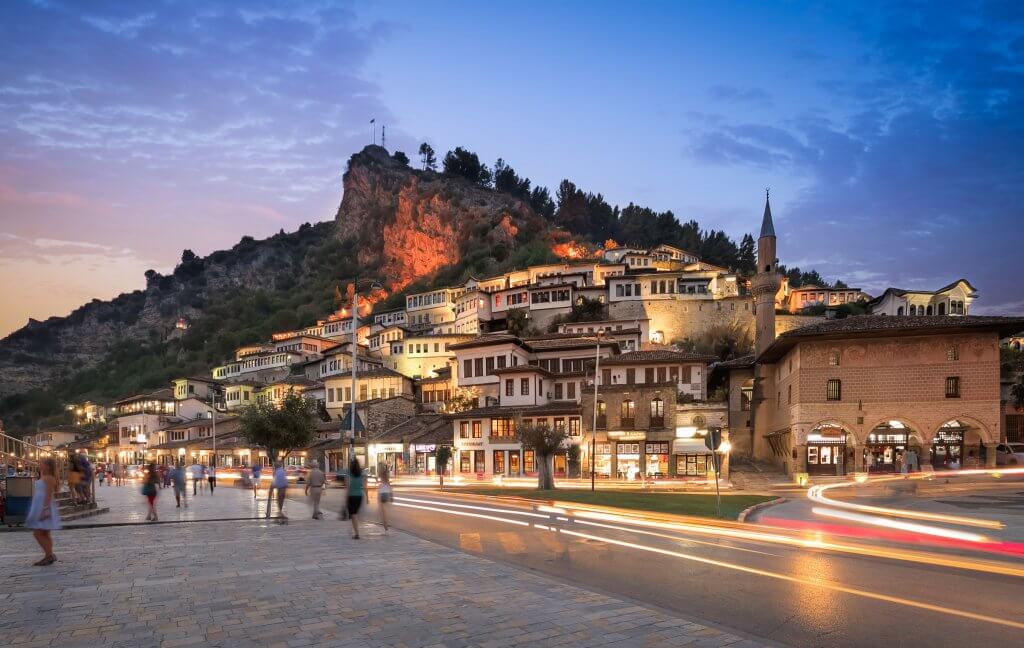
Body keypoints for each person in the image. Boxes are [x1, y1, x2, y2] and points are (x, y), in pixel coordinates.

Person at [26, 458, 61, 566]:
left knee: (38, 533)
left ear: (48, 466)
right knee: (45, 533)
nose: (39, 465)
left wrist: (45, 509)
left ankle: (49, 555)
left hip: (43, 506)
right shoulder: (44, 475)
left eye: (42, 464)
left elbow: (49, 494)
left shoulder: (49, 478)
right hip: (40, 505)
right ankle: (49, 554)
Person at [346, 459, 364, 539]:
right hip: (359, 496)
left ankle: (357, 534)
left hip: (351, 496)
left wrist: (345, 498)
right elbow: (363, 485)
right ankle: (355, 530)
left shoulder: (349, 474)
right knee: (355, 514)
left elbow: (347, 487)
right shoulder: (361, 474)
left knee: (353, 515)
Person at [378, 466, 392, 534]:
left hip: (382, 495)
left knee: (383, 513)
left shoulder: (382, 479)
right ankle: (386, 526)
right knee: (385, 512)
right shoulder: (387, 480)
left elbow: (380, 489)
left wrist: (378, 498)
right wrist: (391, 497)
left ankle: (386, 528)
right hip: (386, 495)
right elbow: (390, 488)